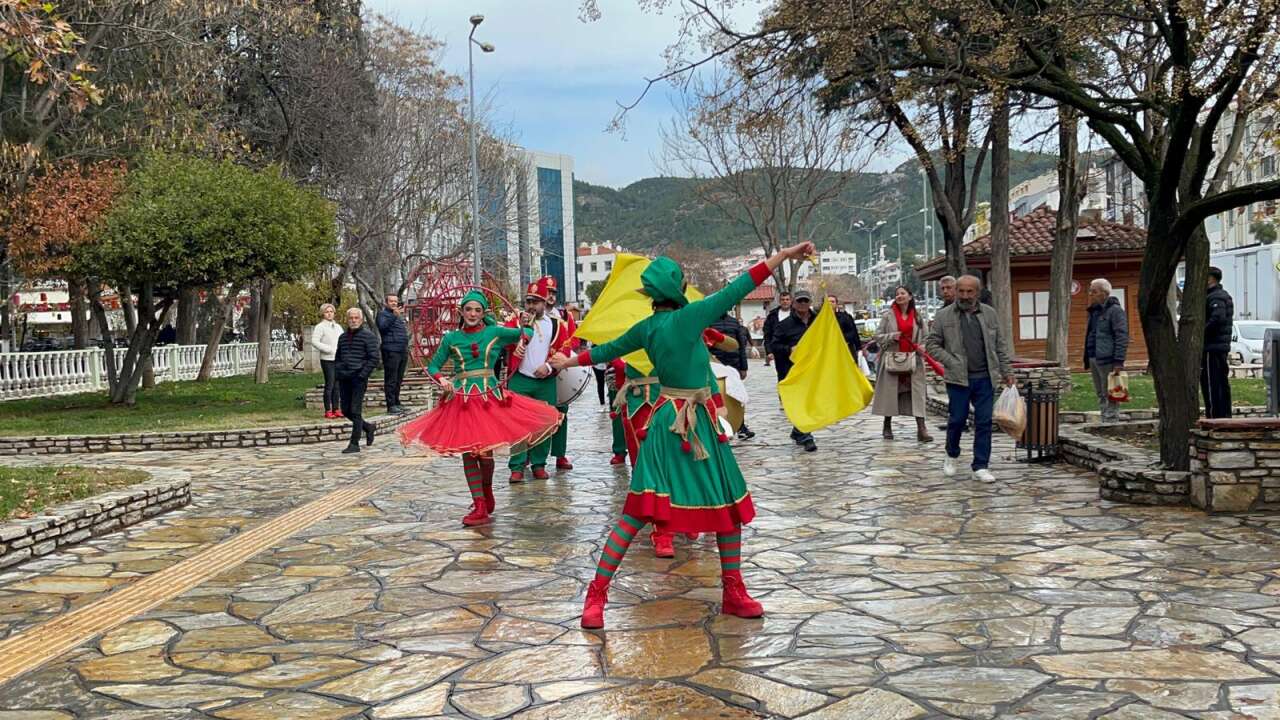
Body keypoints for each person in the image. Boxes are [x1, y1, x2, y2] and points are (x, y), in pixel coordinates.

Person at [552, 240, 816, 629]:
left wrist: (568, 359)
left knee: (636, 512)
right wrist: (786, 253)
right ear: (677, 291)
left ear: (651, 297)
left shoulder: (647, 327)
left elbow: (604, 350)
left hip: (663, 422)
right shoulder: (691, 317)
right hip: (696, 424)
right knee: (727, 508)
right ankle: (733, 592)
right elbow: (743, 284)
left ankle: (596, 597)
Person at [399, 291, 562, 526]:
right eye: (468, 309)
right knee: (468, 452)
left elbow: (523, 333)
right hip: (461, 399)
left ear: (483, 313)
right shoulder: (451, 338)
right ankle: (479, 504)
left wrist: (523, 334)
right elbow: (433, 366)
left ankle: (486, 490)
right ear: (461, 312)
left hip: (489, 397)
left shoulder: (493, 332)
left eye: (477, 310)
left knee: (485, 453)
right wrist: (442, 380)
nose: (473, 314)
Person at [926, 275, 1015, 482]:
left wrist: (1007, 372)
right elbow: (931, 344)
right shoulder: (944, 316)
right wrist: (951, 361)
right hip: (958, 379)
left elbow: (1000, 346)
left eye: (970, 291)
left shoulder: (990, 314)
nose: (965, 296)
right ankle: (952, 453)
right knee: (957, 419)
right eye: (961, 291)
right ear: (956, 291)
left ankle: (981, 465)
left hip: (985, 377)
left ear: (978, 292)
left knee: (984, 422)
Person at [504, 278, 575, 482]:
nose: (531, 306)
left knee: (544, 423)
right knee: (517, 423)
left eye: (536, 301)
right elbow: (503, 338)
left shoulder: (557, 324)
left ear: (544, 303)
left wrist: (550, 366)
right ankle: (516, 466)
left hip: (545, 380)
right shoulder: (516, 320)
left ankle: (539, 464)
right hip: (519, 378)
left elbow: (565, 349)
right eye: (528, 301)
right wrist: (517, 333)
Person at [871, 287, 932, 442]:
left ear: (910, 296)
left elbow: (927, 337)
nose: (899, 296)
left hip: (914, 361)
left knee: (917, 394)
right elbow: (877, 336)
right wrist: (892, 336)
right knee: (890, 394)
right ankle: (887, 425)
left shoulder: (918, 317)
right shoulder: (887, 316)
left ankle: (921, 428)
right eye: (897, 294)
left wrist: (923, 347)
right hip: (892, 360)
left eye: (903, 293)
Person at [772, 290, 819, 452]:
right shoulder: (784, 325)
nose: (803, 304)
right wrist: (789, 349)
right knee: (801, 402)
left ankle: (797, 431)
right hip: (794, 371)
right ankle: (806, 435)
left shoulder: (819, 321)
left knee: (811, 401)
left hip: (814, 369)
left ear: (810, 302)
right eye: (800, 301)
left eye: (806, 301)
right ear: (794, 303)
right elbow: (775, 346)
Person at [1084, 279, 1129, 423]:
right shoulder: (1094, 311)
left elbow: (1121, 336)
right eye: (1090, 291)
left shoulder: (1115, 311)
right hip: (1093, 356)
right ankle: (1105, 419)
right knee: (1100, 393)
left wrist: (1118, 361)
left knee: (1112, 392)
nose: (1091, 294)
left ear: (1104, 293)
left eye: (1094, 291)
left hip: (1108, 359)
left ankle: (1111, 422)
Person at [335, 308, 379, 454]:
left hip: (358, 378)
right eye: (351, 318)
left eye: (356, 318)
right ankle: (368, 427)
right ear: (347, 320)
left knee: (355, 410)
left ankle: (354, 443)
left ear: (361, 320)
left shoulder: (368, 336)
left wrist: (363, 374)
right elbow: (338, 357)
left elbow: (374, 358)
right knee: (346, 410)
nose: (353, 320)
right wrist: (339, 371)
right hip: (344, 378)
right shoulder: (342, 337)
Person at [545, 281, 578, 471]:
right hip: (536, 371)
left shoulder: (564, 316)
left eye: (553, 292)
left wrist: (560, 356)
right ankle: (528, 456)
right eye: (547, 292)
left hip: (558, 369)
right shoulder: (531, 316)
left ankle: (560, 454)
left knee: (561, 413)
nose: (551, 295)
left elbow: (573, 339)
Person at [710, 311, 755, 440]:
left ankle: (740, 426)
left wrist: (743, 366)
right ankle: (718, 425)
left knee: (736, 397)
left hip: (733, 364)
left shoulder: (733, 322)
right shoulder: (708, 321)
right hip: (716, 364)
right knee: (718, 396)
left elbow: (740, 346)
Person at [1203, 266, 1234, 419]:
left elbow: (1217, 319)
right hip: (1219, 346)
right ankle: (1224, 415)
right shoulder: (1220, 295)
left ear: (1210, 279)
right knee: (1221, 381)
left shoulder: (1216, 297)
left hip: (1212, 346)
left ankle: (1215, 416)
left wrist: (1200, 332)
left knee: (1212, 383)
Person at [376, 294, 409, 414]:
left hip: (402, 350)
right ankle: (390, 405)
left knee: (399, 379)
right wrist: (394, 317)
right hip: (391, 350)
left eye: (395, 301)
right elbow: (382, 327)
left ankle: (396, 402)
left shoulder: (398, 316)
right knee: (391, 379)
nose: (394, 303)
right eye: (391, 301)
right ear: (386, 303)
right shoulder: (382, 315)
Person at [311, 303, 343, 419]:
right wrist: (328, 349)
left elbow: (343, 340)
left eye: (331, 311)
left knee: (337, 385)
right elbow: (314, 341)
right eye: (327, 312)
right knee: (330, 384)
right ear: (323, 313)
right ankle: (328, 410)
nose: (329, 314)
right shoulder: (320, 327)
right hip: (327, 359)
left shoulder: (338, 327)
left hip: (338, 359)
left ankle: (336, 409)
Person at [762, 291, 792, 376]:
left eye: (787, 299)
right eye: (783, 299)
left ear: (791, 301)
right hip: (778, 350)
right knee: (782, 375)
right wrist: (769, 351)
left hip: (794, 349)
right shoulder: (772, 316)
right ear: (779, 301)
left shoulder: (796, 314)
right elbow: (767, 335)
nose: (785, 301)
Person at [828, 295, 863, 360]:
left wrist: (859, 348)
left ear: (836, 304)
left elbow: (854, 333)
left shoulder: (845, 317)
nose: (830, 304)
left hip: (846, 350)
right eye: (828, 302)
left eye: (832, 302)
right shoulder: (819, 319)